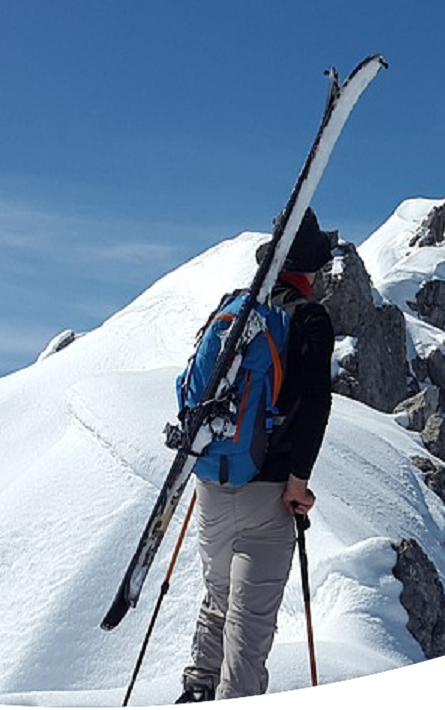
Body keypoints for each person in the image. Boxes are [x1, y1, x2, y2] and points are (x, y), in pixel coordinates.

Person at [178, 212, 336, 703]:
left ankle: (196, 692)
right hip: (265, 497)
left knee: (218, 601)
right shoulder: (307, 317)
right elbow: (314, 401)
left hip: (211, 484)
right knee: (248, 634)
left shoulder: (240, 310)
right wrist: (298, 480)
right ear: (308, 268)